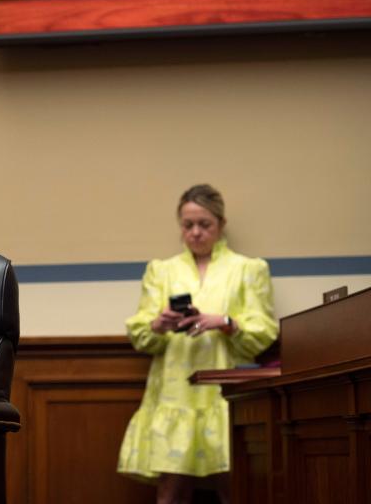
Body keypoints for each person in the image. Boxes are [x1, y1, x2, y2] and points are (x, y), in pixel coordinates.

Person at [117, 184, 278, 504]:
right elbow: (140, 334)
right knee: (171, 492)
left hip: (226, 393)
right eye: (187, 225)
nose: (195, 232)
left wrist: (226, 322)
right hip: (174, 392)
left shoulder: (248, 269)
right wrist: (158, 324)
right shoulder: (162, 271)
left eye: (204, 224)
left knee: (235, 487)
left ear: (221, 224)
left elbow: (263, 331)